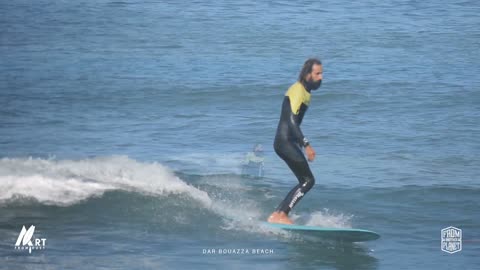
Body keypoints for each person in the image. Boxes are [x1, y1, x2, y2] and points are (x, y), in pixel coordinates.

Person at [268, 58, 323, 224]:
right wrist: (306, 145)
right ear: (307, 74)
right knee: (308, 181)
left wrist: (298, 143)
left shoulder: (305, 92)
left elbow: (293, 122)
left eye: (322, 73)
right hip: (284, 142)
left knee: (304, 180)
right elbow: (291, 121)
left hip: (287, 142)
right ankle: (281, 215)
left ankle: (278, 214)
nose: (321, 77)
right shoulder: (298, 90)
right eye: (317, 73)